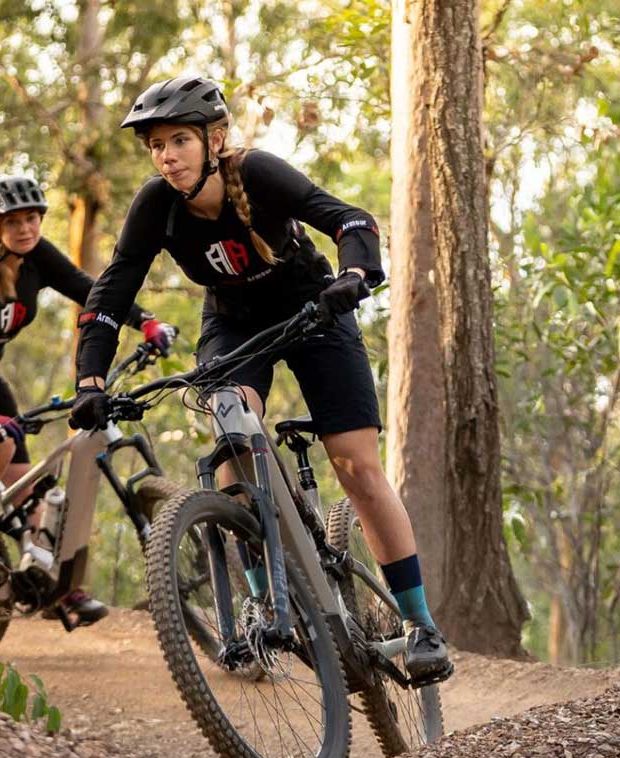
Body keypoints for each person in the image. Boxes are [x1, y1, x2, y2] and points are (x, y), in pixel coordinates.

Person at [68, 76, 452, 680]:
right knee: (233, 446)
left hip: (313, 309)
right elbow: (111, 293)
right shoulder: (156, 206)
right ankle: (262, 605)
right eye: (155, 145)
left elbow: (350, 219)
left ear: (214, 139)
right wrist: (90, 379)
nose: (166, 156)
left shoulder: (259, 174)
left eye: (179, 141)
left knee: (354, 462)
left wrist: (355, 274)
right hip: (232, 323)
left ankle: (420, 623)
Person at [0, 174, 175, 627]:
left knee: (35, 489)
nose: (26, 229)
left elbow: (91, 291)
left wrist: (145, 321)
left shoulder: (36, 256)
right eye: (14, 221)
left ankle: (50, 586)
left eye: (33, 218)